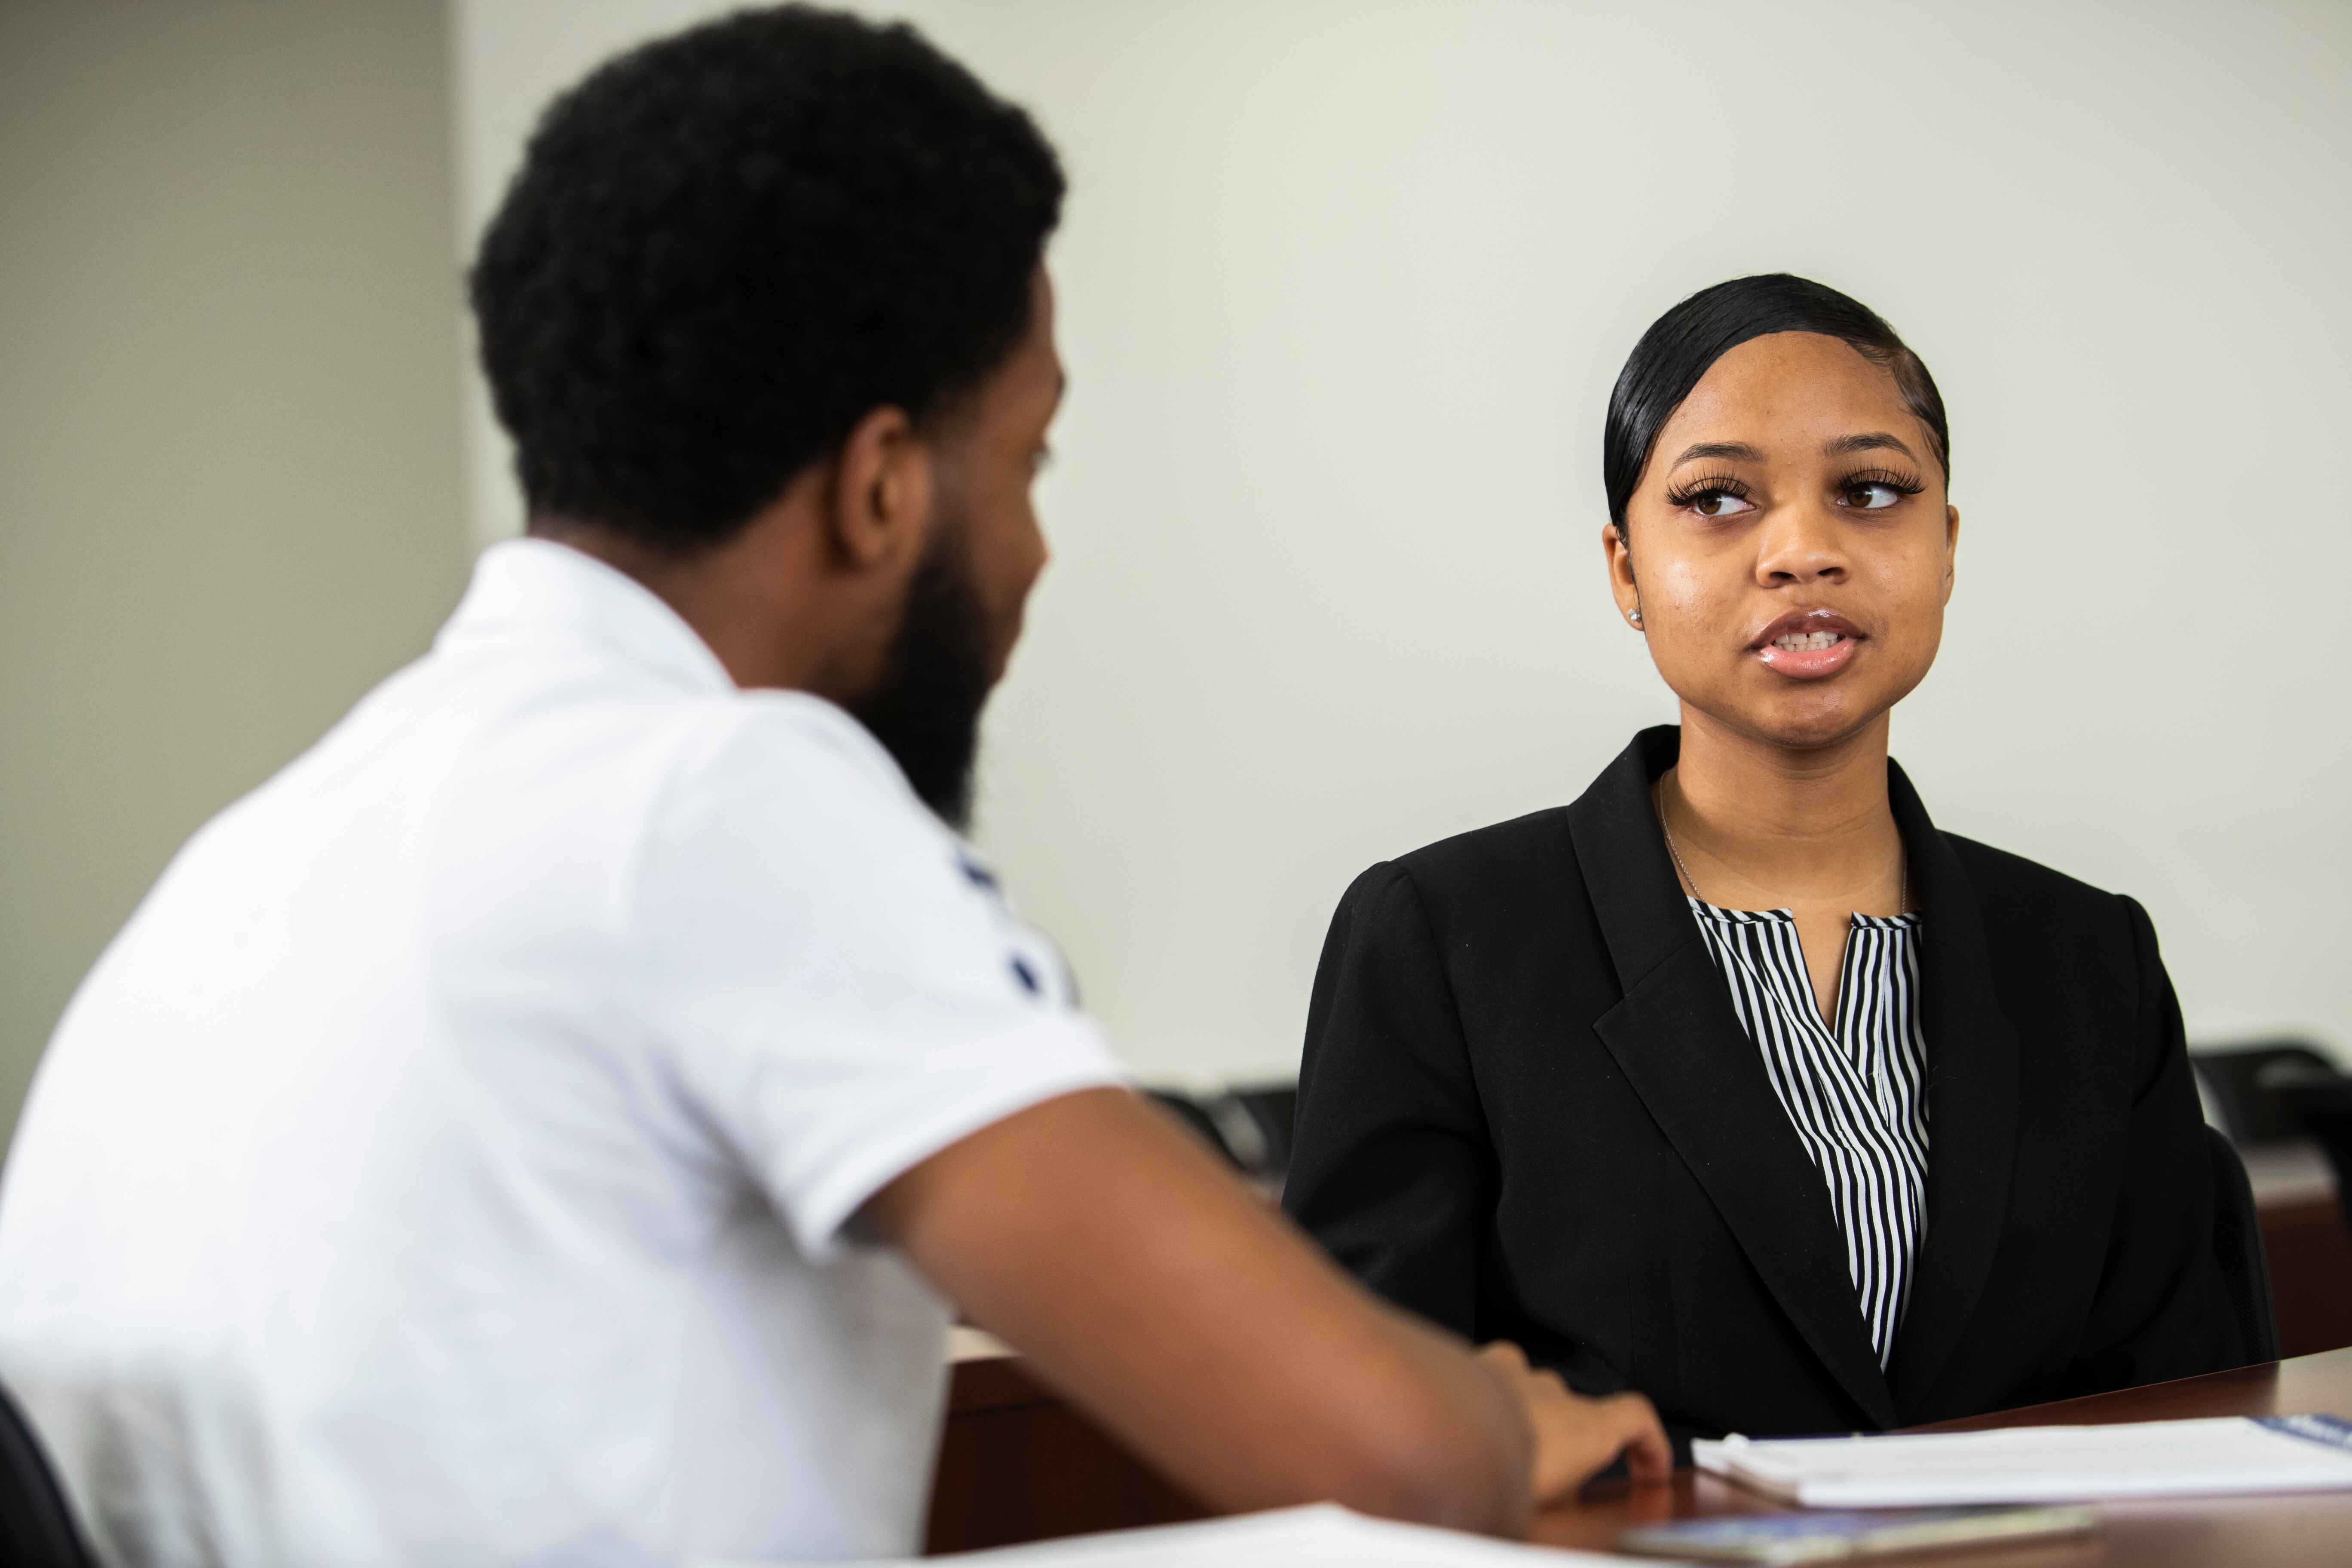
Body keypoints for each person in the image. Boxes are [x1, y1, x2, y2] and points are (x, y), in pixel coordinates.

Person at [0, 9, 1667, 1565]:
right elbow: (1387, 1454)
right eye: (1027, 462)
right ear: (879, 492)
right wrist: (1493, 1416)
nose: (1035, 551)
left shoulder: (273, 848)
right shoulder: (723, 799)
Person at [1283, 274, 2245, 1455]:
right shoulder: (1440, 939)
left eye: (1871, 491)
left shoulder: (2092, 959)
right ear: (1627, 570)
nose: (1803, 552)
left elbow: (2191, 1422)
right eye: (1719, 499)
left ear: (1946, 548)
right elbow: (1361, 1428)